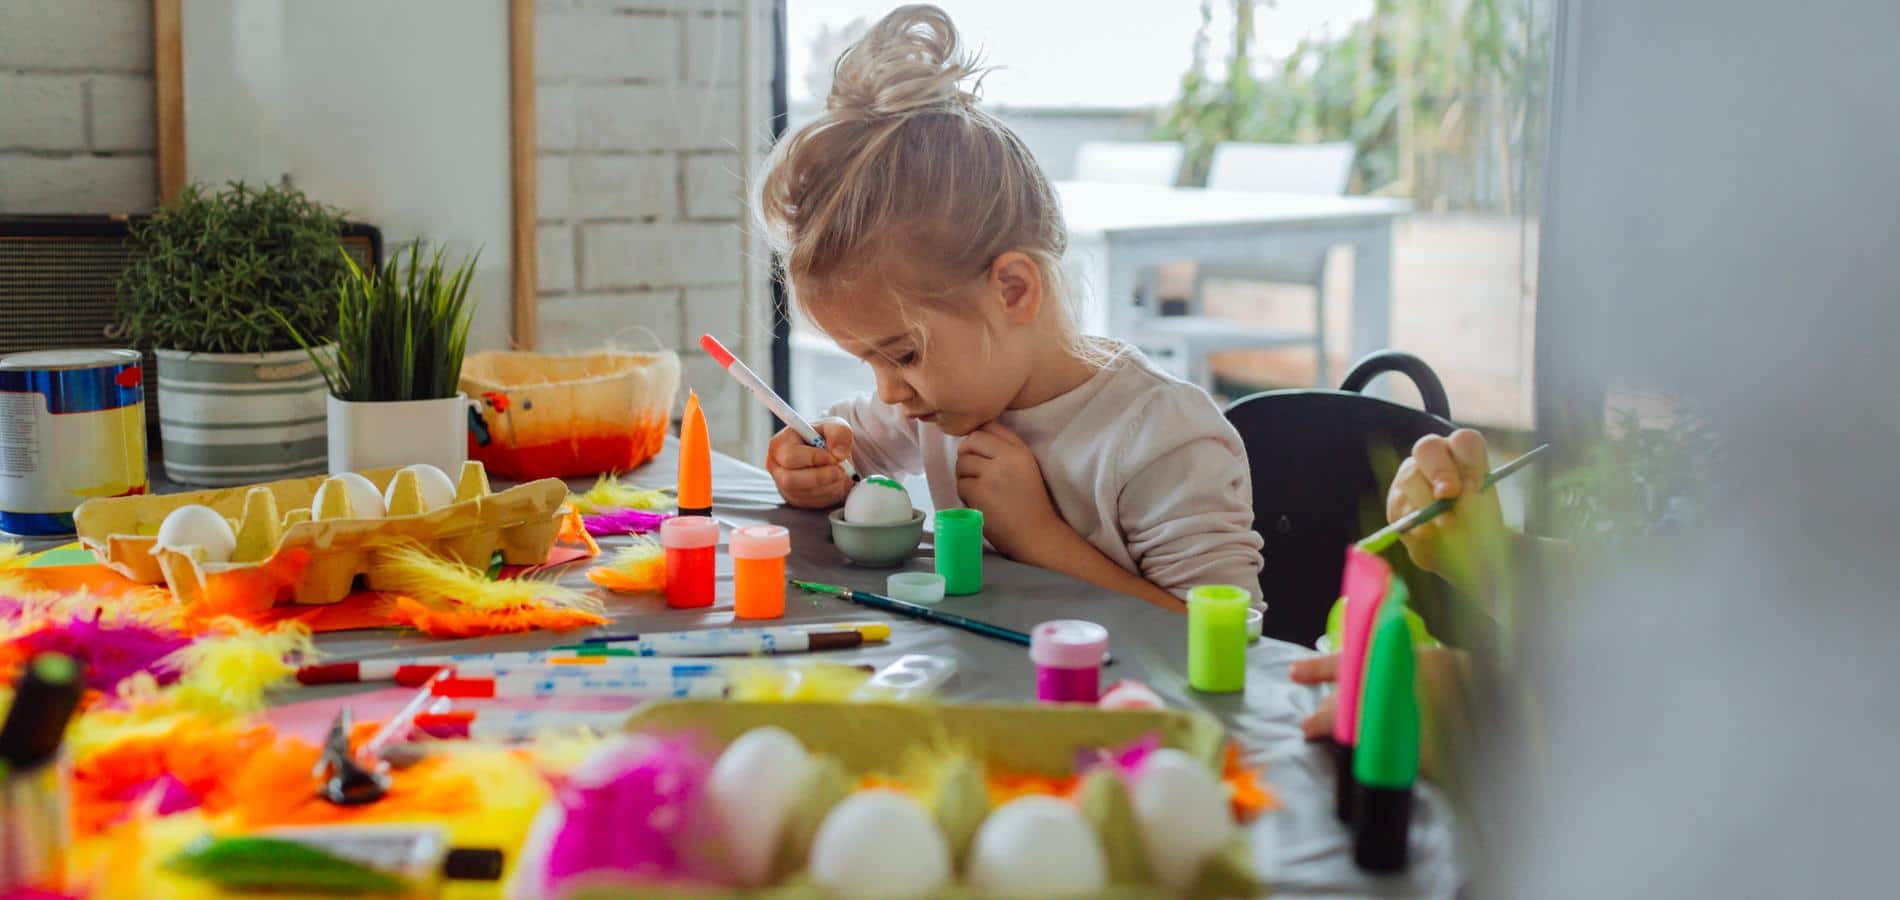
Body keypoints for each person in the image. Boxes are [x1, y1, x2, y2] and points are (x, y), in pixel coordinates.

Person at [755, 5, 1263, 611]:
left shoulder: (1160, 438)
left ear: (1013, 290)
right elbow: (846, 445)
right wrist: (812, 464)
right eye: (869, 363)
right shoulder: (936, 406)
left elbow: (1236, 645)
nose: (889, 393)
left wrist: (1038, 538)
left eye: (904, 355)